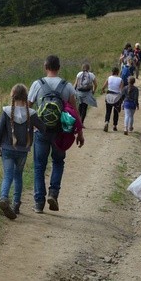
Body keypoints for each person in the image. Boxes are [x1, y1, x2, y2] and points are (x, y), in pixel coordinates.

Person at [28, 55, 84, 213]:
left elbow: (28, 107)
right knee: (58, 162)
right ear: (59, 68)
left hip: (41, 131)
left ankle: (39, 203)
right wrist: (79, 133)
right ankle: (53, 193)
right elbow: (74, 112)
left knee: (39, 166)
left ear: (45, 67)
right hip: (60, 132)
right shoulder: (66, 86)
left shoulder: (37, 84)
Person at [0, 83, 37, 219]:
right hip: (23, 151)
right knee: (18, 176)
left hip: (7, 149)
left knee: (8, 176)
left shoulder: (6, 111)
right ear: (26, 96)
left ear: (12, 95)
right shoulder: (31, 113)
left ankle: (4, 198)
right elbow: (42, 126)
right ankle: (16, 204)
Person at [100, 67, 123, 132]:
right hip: (116, 97)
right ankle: (115, 126)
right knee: (116, 112)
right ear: (118, 72)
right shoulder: (120, 79)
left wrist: (103, 90)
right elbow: (121, 90)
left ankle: (106, 122)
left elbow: (103, 87)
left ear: (112, 72)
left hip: (109, 95)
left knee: (108, 111)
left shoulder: (109, 78)